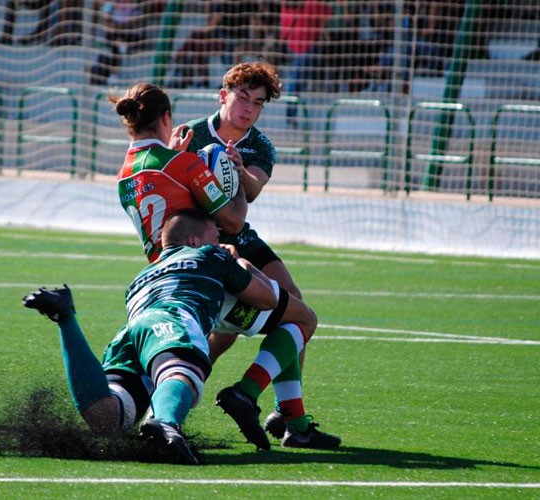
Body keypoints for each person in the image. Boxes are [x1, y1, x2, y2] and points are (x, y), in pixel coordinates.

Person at [22, 209, 279, 465]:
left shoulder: (141, 276)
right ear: (193, 241)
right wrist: (241, 263)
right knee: (180, 374)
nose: (221, 243)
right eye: (215, 237)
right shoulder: (210, 254)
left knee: (107, 417)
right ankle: (165, 422)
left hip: (131, 332)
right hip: (173, 318)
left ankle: (66, 318)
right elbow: (268, 299)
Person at [183, 61, 340, 449]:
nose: (249, 108)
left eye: (258, 102)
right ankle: (172, 405)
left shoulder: (259, 145)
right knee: (217, 338)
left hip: (241, 236)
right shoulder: (190, 134)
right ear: (223, 96)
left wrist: (239, 169)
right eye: (242, 98)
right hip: (200, 238)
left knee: (296, 308)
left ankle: (289, 417)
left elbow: (251, 191)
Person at [113, 82, 248, 262]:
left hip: (158, 271)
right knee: (267, 281)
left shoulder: (122, 177)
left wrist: (172, 154)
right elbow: (234, 222)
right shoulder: (183, 163)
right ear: (166, 117)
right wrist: (235, 171)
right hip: (196, 268)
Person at [170, 0, 259, 89]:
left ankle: (184, 69)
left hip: (229, 41)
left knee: (196, 41)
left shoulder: (239, 5)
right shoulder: (222, 5)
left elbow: (211, 25)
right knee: (197, 44)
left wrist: (198, 30)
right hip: (226, 39)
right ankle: (195, 78)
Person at [280, 0, 332, 125]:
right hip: (305, 45)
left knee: (299, 80)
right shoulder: (313, 3)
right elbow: (326, 17)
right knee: (298, 81)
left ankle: (291, 112)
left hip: (295, 43)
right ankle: (291, 114)